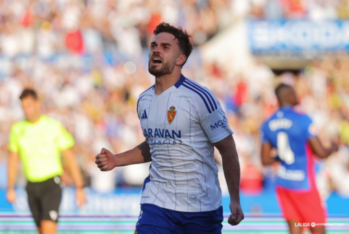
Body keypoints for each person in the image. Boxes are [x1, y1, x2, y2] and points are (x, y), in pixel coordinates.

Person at [95, 22, 244, 233]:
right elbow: (155, 145)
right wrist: (116, 160)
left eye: (165, 47)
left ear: (180, 59)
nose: (156, 49)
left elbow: (227, 149)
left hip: (201, 208)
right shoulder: (144, 100)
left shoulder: (200, 98)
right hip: (157, 204)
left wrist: (235, 199)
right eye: (154, 45)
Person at [260, 83, 339, 234]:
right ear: (290, 96)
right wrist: (334, 147)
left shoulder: (268, 123)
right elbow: (321, 153)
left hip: (283, 183)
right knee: (318, 229)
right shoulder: (303, 120)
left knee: (295, 230)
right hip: (303, 185)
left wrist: (281, 156)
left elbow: (265, 160)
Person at [7, 89, 86, 234]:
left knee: (48, 229)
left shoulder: (53, 126)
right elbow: (13, 160)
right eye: (23, 107)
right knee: (41, 230)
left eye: (29, 105)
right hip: (31, 186)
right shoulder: (17, 129)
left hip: (51, 184)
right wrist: (10, 187)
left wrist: (79, 187)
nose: (27, 110)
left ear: (38, 104)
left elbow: (70, 158)